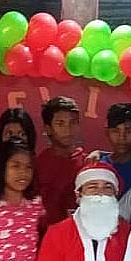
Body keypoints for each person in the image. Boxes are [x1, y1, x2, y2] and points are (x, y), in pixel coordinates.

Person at [35, 96, 86, 224]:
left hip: (80, 235)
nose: (67, 129)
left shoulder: (88, 162)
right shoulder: (37, 164)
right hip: (45, 236)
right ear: (48, 129)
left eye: (73, 122)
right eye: (60, 123)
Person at [101, 103, 131, 193]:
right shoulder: (99, 166)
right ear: (107, 132)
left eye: (129, 131)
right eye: (115, 131)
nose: (122, 137)